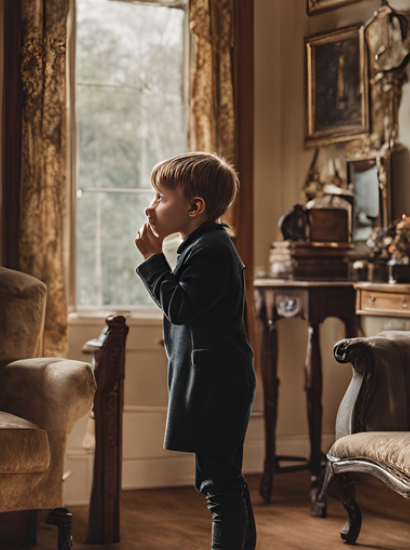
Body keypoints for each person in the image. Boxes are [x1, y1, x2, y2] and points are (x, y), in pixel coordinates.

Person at [134, 152, 258, 550]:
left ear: (194, 207)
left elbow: (180, 307)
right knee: (225, 480)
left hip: (218, 386)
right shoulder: (200, 245)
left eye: (160, 196)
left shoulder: (212, 249)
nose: (151, 206)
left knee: (218, 487)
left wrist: (154, 259)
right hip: (213, 382)